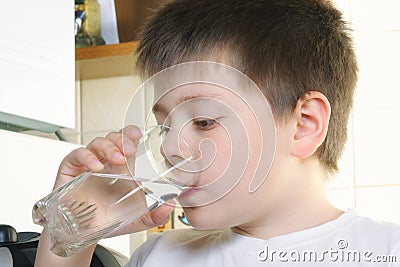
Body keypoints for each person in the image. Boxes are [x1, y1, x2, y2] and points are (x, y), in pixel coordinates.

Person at [35, 0, 400, 266]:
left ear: (304, 124)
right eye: (163, 126)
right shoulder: (161, 257)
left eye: (204, 121)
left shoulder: (385, 250)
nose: (168, 147)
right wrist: (73, 230)